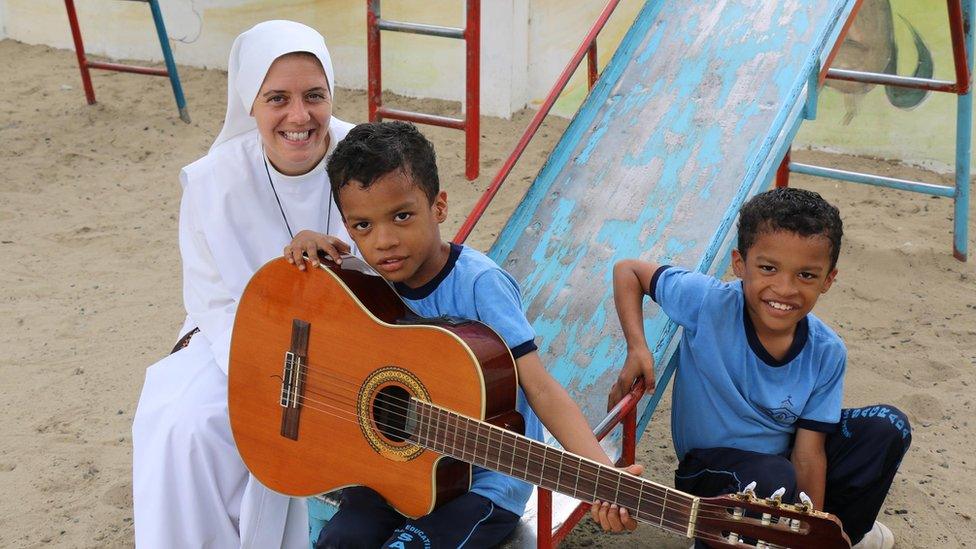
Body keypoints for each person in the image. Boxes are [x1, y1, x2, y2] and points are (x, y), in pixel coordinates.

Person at [287, 121, 642, 548]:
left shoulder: (480, 286)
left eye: (402, 216)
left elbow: (541, 389)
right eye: (362, 226)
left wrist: (600, 474)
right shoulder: (367, 283)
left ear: (438, 206)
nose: (383, 241)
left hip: (484, 482)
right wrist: (305, 249)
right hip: (393, 470)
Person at [132, 20, 356, 548]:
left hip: (352, 346)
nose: (299, 116)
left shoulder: (369, 160)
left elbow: (397, 263)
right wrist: (270, 374)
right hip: (236, 341)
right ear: (249, 102)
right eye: (277, 97)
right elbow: (211, 300)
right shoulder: (211, 182)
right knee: (182, 423)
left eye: (314, 96)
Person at [609, 187, 910, 549]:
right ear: (740, 264)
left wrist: (811, 527)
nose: (784, 288)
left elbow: (808, 451)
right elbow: (629, 271)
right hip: (712, 473)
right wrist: (637, 347)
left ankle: (836, 536)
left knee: (888, 426)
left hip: (783, 465)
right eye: (768, 268)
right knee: (774, 478)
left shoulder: (826, 351)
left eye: (807, 276)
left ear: (828, 280)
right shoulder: (708, 302)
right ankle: (715, 538)